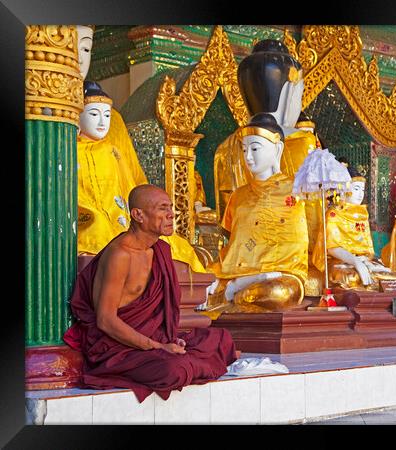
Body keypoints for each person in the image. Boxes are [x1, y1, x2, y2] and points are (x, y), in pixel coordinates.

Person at [63, 185, 237, 402]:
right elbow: (106, 320)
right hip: (118, 349)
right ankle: (181, 360)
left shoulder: (158, 251)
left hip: (152, 342)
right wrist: (159, 347)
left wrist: (169, 341)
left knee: (221, 339)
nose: (171, 214)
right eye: (163, 208)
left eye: (171, 208)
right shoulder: (120, 255)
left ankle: (181, 356)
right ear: (138, 215)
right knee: (174, 370)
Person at [76, 81, 207, 273]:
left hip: (119, 213)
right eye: (94, 114)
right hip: (86, 214)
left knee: (167, 240)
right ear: (77, 117)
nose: (103, 122)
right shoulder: (69, 151)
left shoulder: (112, 151)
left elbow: (129, 186)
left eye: (107, 115)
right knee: (99, 228)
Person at [200, 113, 310, 318]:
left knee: (278, 293)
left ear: (277, 149)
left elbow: (300, 243)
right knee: (196, 284)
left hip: (283, 275)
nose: (248, 156)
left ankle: (240, 290)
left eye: (255, 148)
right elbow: (233, 245)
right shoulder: (238, 196)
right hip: (235, 273)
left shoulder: (297, 191)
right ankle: (243, 285)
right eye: (244, 149)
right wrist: (216, 275)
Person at [312, 160, 396, 290]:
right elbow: (331, 247)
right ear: (343, 189)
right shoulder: (334, 214)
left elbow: (366, 249)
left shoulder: (362, 214)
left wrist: (365, 261)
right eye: (356, 188)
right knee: (351, 278)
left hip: (362, 260)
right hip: (339, 262)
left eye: (362, 189)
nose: (360, 193)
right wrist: (354, 261)